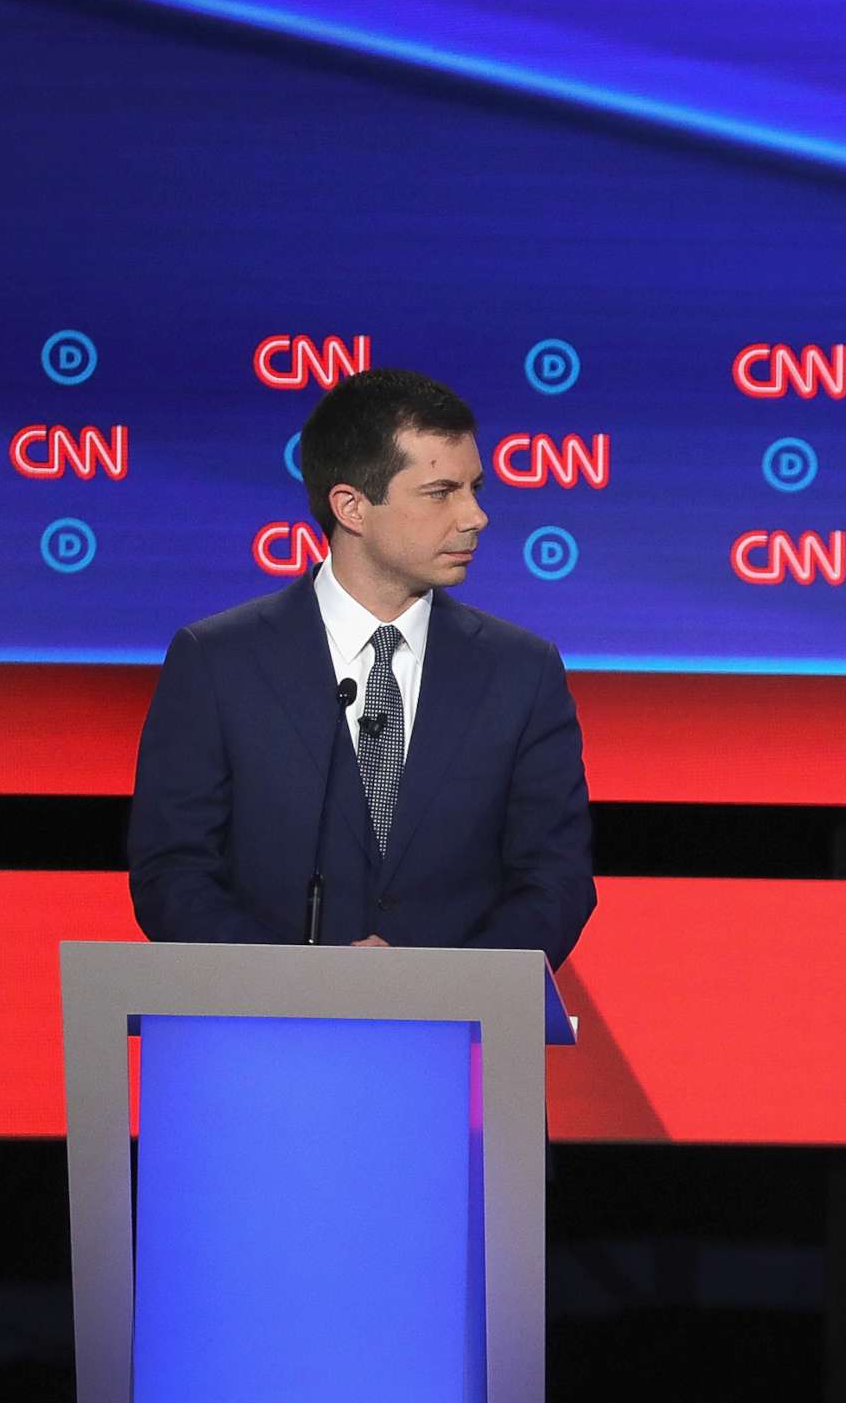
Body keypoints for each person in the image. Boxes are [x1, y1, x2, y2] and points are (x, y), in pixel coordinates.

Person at [128, 368, 596, 969]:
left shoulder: (521, 672)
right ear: (351, 506)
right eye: (441, 492)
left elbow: (555, 880)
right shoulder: (218, 661)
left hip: (453, 1041)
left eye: (475, 488)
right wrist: (303, 988)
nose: (475, 516)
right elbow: (173, 872)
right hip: (257, 1040)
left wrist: (441, 986)